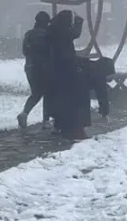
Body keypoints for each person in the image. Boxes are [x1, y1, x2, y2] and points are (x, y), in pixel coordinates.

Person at [46, 10, 91, 140]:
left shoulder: (53, 29)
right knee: (74, 99)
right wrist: (79, 21)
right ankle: (75, 129)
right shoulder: (62, 31)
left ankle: (60, 124)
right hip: (66, 69)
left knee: (61, 99)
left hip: (56, 70)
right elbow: (75, 34)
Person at [17, 11, 51, 130]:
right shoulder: (48, 34)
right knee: (47, 93)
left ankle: (24, 113)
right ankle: (46, 120)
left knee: (36, 93)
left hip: (30, 67)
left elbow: (25, 51)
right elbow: (50, 52)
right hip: (44, 67)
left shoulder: (29, 34)